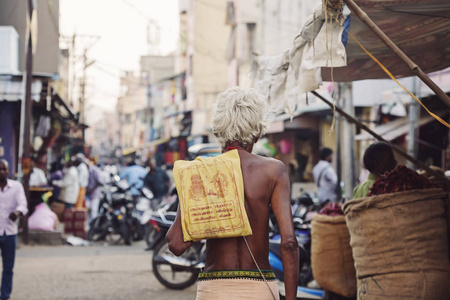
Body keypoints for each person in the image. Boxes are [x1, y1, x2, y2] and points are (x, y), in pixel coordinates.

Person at [166, 87, 299, 300]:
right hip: (259, 287)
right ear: (257, 132)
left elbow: (176, 244)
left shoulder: (197, 173)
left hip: (214, 289)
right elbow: (289, 243)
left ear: (218, 130)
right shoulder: (274, 171)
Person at [0, 159, 28, 300]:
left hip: (10, 233)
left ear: (8, 171)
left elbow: (23, 205)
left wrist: (17, 213)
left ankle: (4, 296)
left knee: (8, 268)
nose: (2, 172)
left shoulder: (16, 187)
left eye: (4, 169)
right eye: (0, 169)